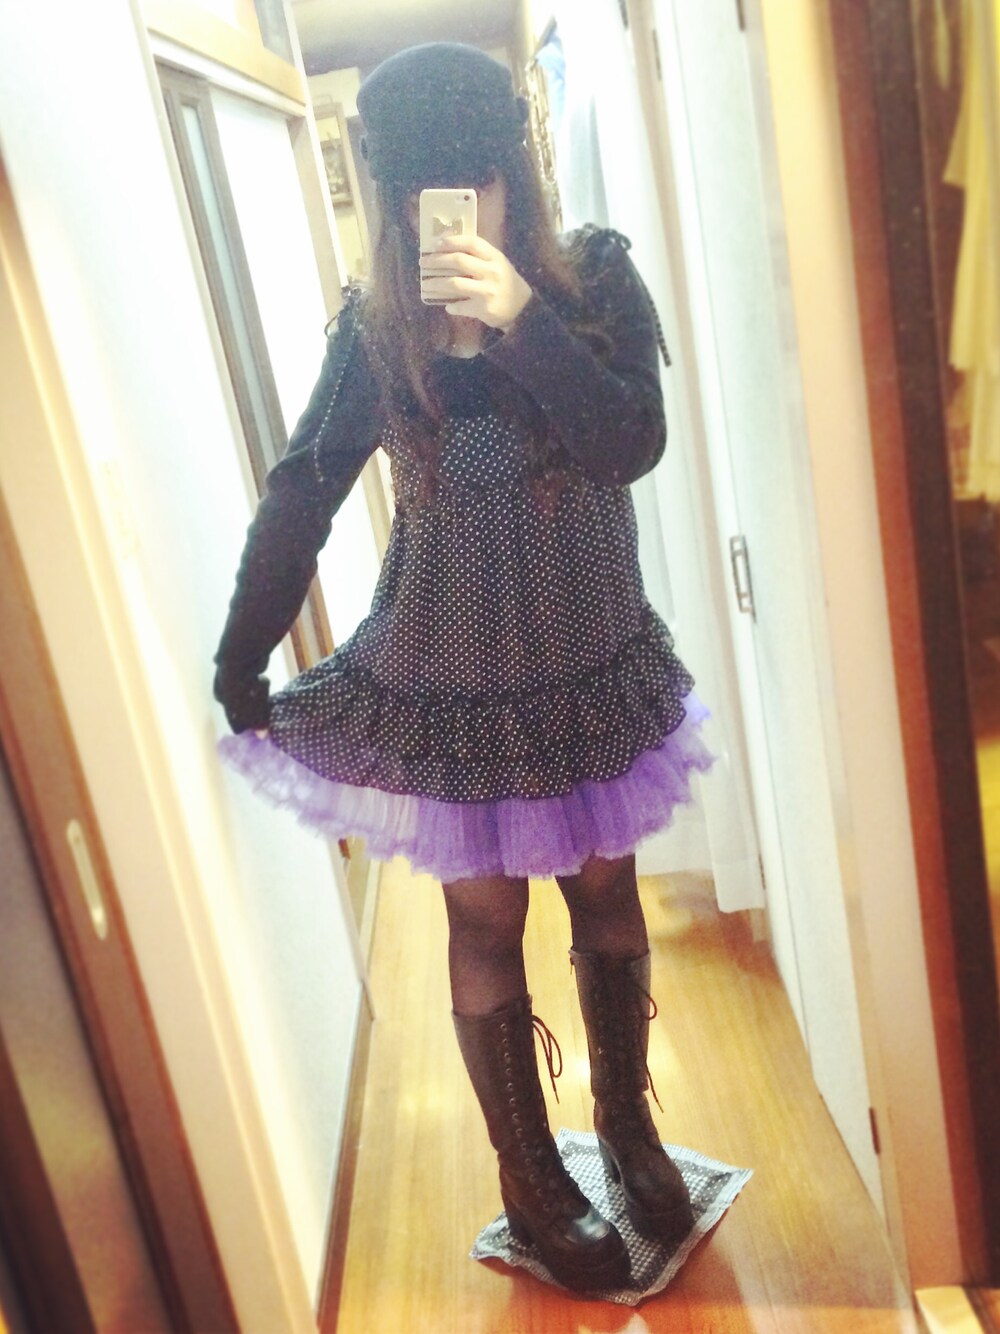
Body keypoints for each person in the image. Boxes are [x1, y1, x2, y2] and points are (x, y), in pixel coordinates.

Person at [213, 42, 714, 1293]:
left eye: (477, 181)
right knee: (485, 919)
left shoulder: (593, 280)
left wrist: (523, 321)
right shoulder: (378, 328)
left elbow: (629, 441)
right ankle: (530, 1178)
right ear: (392, 198)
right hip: (450, 673)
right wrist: (242, 647)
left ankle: (629, 1127)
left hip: (589, 656)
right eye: (422, 193)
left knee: (606, 893)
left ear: (515, 174)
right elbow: (305, 486)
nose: (454, 212)